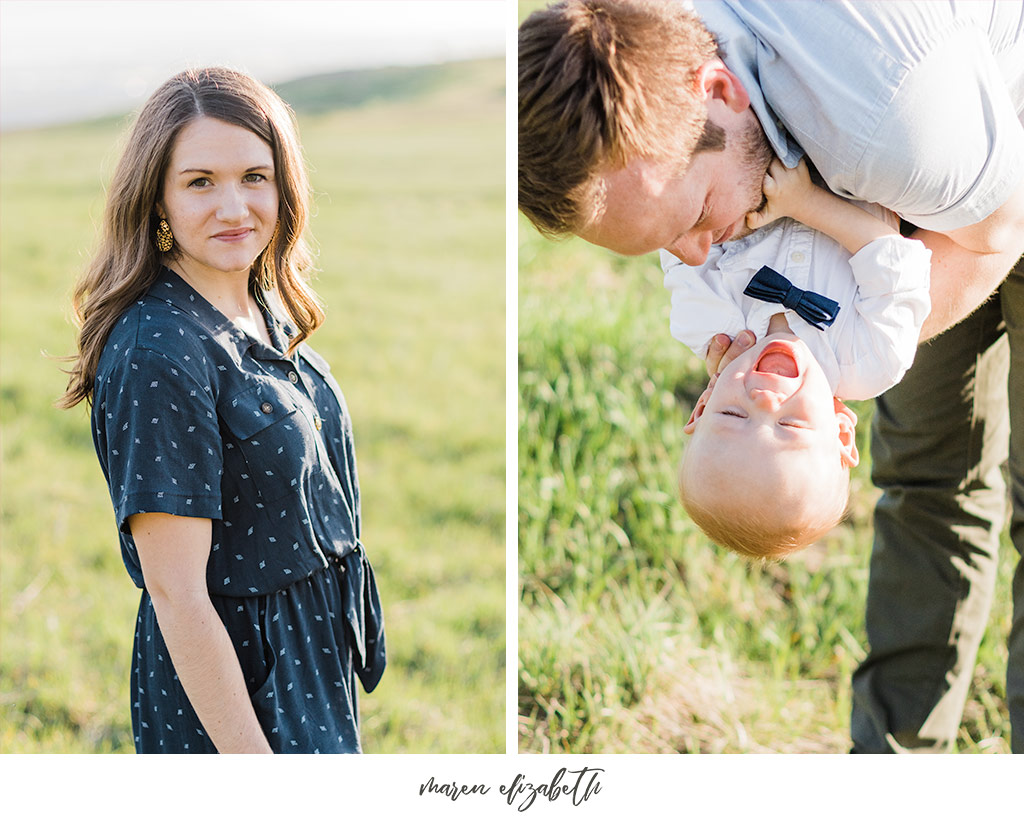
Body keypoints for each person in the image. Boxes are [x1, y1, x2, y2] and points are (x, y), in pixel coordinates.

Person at [518, 0, 1024, 753]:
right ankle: (898, 771)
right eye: (664, 246)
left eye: (693, 218)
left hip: (977, 148)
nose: (696, 255)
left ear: (718, 92)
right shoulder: (630, 59)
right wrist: (839, 360)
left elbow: (997, 229)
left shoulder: (891, 111)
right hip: (903, 208)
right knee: (927, 477)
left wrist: (839, 359)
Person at [58, 67, 385, 754]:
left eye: (254, 177)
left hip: (306, 663)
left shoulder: (256, 304)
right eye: (200, 181)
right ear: (157, 199)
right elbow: (175, 593)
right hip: (232, 691)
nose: (233, 208)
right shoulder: (159, 351)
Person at [677, 155, 931, 560]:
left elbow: (682, 227)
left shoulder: (705, 321)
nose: (763, 400)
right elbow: (900, 263)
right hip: (863, 156)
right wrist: (804, 202)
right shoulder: (870, 359)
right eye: (790, 424)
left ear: (703, 406)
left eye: (733, 415)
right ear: (841, 432)